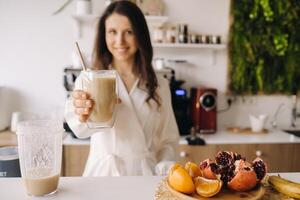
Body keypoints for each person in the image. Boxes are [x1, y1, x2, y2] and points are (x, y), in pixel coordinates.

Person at [65, 1, 179, 176]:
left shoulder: (159, 85)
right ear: (104, 35)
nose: (120, 41)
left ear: (140, 35)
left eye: (129, 32)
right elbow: (80, 129)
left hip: (144, 175)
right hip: (103, 174)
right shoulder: (90, 79)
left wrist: (163, 167)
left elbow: (168, 140)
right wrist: (82, 112)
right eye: (112, 32)